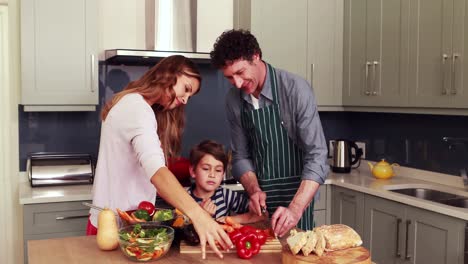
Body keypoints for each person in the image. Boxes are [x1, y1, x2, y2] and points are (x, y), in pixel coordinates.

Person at [88, 55, 232, 259]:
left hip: (121, 227)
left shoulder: (132, 103)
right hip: (117, 232)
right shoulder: (137, 109)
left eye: (190, 96)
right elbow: (156, 172)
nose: (185, 99)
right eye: (186, 88)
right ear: (170, 74)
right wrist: (198, 215)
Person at [210, 30, 329, 237]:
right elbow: (241, 157)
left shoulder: (295, 89)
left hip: (297, 197)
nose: (237, 83)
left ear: (256, 56)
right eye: (230, 77)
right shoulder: (233, 99)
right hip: (260, 203)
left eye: (240, 72)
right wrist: (254, 190)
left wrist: (295, 208)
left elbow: (317, 155)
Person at [186, 140, 265, 224]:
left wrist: (231, 219)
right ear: (193, 171)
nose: (212, 175)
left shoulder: (226, 195)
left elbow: (261, 214)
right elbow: (180, 228)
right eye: (206, 168)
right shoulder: (184, 197)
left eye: (218, 170)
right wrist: (202, 216)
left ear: (223, 174)